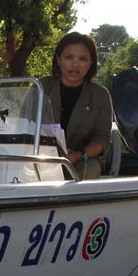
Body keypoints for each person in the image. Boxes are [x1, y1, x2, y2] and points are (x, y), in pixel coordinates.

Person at [40, 32, 114, 180]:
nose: (75, 64)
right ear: (58, 60)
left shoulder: (101, 95)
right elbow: (24, 127)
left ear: (90, 63)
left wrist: (78, 155)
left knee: (90, 169)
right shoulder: (40, 87)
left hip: (82, 160)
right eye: (69, 57)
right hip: (41, 157)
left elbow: (102, 139)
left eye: (82, 59)